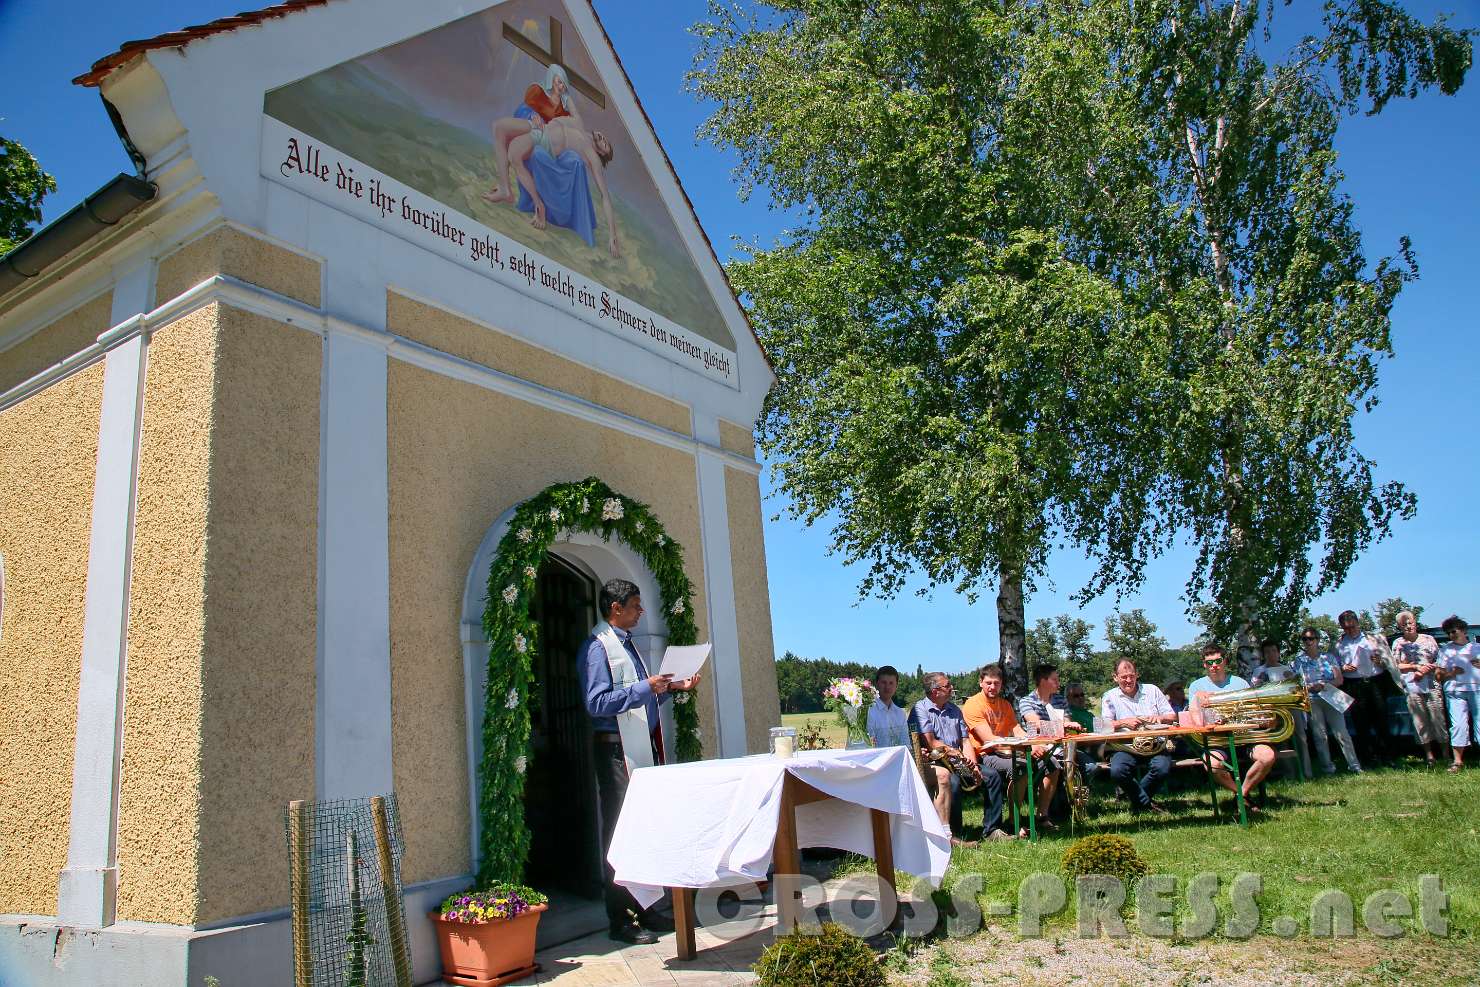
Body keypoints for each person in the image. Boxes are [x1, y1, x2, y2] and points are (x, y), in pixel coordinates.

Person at [579, 578, 702, 944]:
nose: (641, 612)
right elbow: (596, 703)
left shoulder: (626, 645)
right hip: (615, 751)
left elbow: (638, 701)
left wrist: (670, 689)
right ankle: (619, 920)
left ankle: (646, 909)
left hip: (639, 747)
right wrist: (644, 687)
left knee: (646, 830)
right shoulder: (597, 648)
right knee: (619, 834)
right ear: (616, 608)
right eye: (635, 605)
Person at [1189, 643, 1277, 808]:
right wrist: (1199, 703)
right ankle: (1242, 796)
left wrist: (1265, 719)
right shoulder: (1196, 687)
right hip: (1217, 741)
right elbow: (1196, 722)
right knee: (1212, 765)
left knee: (1268, 756)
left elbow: (1253, 712)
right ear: (1204, 664)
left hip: (1244, 737)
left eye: (1218, 661)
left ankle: (1241, 794)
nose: (1214, 666)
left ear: (1225, 661)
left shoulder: (1240, 683)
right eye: (1209, 662)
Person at [960, 665, 1032, 839]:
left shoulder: (1005, 705)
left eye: (996, 683)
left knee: (1048, 763)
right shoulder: (973, 705)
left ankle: (1042, 816)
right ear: (981, 683)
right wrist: (1015, 749)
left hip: (1003, 751)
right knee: (1020, 767)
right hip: (984, 754)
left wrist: (1032, 743)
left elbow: (1017, 729)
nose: (992, 687)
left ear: (1002, 685)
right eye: (988, 683)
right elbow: (989, 740)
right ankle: (1013, 821)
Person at [1099, 659, 1176, 814]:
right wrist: (1123, 723)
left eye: (1131, 676)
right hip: (1125, 746)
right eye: (1124, 677)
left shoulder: (1152, 690)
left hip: (1156, 745)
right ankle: (1146, 803)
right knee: (1117, 771)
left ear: (1137, 675)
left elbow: (1172, 715)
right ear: (1115, 677)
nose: (1128, 680)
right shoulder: (1109, 696)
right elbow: (1103, 726)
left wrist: (1159, 719)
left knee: (1162, 768)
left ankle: (1139, 802)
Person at [913, 671, 979, 846]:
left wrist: (974, 765)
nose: (951, 688)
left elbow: (966, 740)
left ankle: (992, 828)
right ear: (935, 691)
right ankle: (954, 832)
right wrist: (953, 752)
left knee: (992, 777)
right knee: (954, 782)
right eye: (948, 686)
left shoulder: (955, 709)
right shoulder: (920, 709)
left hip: (958, 758)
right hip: (938, 760)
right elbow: (931, 743)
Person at [1293, 627, 1361, 775]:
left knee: (1342, 733)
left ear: (1317, 640)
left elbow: (1339, 679)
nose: (1308, 642)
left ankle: (1354, 765)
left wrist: (1324, 685)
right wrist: (1310, 687)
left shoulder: (1329, 657)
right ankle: (1327, 768)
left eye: (1311, 638)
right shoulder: (1298, 661)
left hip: (1331, 696)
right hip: (1312, 700)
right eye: (1305, 639)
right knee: (1320, 736)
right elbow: (1297, 683)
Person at [1335, 609, 1395, 763]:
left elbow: (1389, 661)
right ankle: (1368, 757)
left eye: (1352, 626)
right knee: (1360, 722)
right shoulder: (1339, 643)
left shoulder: (1373, 639)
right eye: (1346, 628)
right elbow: (1334, 665)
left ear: (1358, 623)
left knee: (1381, 718)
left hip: (1374, 680)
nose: (1350, 630)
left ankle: (1387, 755)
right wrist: (1343, 668)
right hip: (1353, 684)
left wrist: (1379, 661)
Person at [1015, 664, 1069, 832]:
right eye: (1055, 679)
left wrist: (1063, 726)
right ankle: (1044, 814)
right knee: (1053, 762)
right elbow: (1034, 723)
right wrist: (1060, 727)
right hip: (1037, 747)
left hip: (1061, 746)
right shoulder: (1027, 701)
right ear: (1043, 681)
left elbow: (1068, 722)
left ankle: (1065, 809)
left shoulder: (1061, 699)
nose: (1058, 682)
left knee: (1082, 763)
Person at [1392, 611, 1448, 767]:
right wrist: (1414, 666)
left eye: (1410, 622)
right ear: (1399, 626)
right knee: (1420, 722)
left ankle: (1446, 755)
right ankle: (1429, 756)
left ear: (1415, 622)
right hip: (1412, 687)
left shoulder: (1428, 639)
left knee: (1438, 719)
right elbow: (1396, 665)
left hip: (1431, 685)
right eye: (1404, 624)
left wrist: (1426, 669)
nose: (1408, 626)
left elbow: (1439, 659)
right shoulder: (1398, 643)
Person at [1250, 638, 1308, 778]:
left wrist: (1292, 678)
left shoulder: (1287, 668)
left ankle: (1307, 772)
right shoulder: (1258, 671)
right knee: (1281, 741)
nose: (1271, 654)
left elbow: (1299, 689)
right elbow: (1254, 691)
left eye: (1274, 651)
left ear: (1278, 653)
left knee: (1301, 739)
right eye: (1267, 652)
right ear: (1263, 655)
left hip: (1292, 707)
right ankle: (1289, 774)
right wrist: (1260, 681)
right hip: (1272, 710)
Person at [1438, 616, 1480, 773]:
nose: (1451, 635)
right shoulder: (1445, 650)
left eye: (1453, 631)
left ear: (1463, 630)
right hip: (1455, 691)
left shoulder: (1477, 647)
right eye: (1448, 633)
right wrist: (1451, 673)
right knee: (1458, 726)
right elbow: (1438, 676)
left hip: (1477, 689)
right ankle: (1457, 761)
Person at [867, 664, 910, 747]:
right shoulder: (869, 711)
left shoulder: (900, 713)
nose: (887, 687)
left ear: (896, 686)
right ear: (877, 684)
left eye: (891, 683)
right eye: (884, 683)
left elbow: (905, 743)